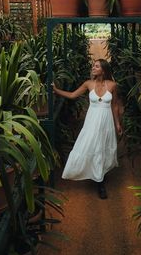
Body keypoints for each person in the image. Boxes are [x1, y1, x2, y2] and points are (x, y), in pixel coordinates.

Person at [52, 59, 122, 199]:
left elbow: (114, 105)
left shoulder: (113, 85)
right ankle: (99, 182)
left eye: (96, 66)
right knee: (91, 146)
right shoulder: (88, 84)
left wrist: (118, 124)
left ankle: (100, 176)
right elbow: (72, 95)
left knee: (103, 147)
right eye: (93, 66)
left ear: (103, 70)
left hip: (106, 122)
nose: (93, 68)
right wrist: (55, 90)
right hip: (92, 122)